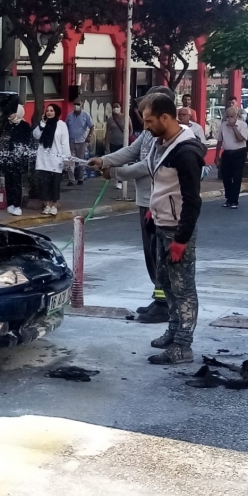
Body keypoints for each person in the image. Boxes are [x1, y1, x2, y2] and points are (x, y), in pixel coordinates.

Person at [88, 86, 177, 324]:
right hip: (145, 199)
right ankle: (159, 299)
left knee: (161, 254)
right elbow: (131, 151)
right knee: (151, 253)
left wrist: (114, 173)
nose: (144, 119)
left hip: (160, 204)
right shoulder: (150, 132)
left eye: (149, 110)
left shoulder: (170, 136)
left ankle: (165, 303)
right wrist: (103, 160)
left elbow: (147, 165)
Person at [138, 92, 204, 364]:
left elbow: (192, 200)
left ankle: (183, 346)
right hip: (161, 224)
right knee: (164, 282)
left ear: (166, 118)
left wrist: (181, 240)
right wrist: (154, 211)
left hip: (177, 231)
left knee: (183, 288)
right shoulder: (161, 143)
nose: (146, 126)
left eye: (149, 120)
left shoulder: (186, 152)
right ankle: (173, 330)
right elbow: (163, 184)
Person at [33, 104, 70, 216]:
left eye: (51, 110)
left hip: (56, 159)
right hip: (43, 159)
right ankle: (47, 205)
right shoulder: (43, 125)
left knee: (54, 184)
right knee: (44, 184)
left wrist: (66, 158)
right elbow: (35, 135)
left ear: (56, 112)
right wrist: (42, 124)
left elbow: (65, 142)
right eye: (47, 110)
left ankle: (54, 205)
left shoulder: (61, 125)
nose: (49, 112)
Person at [0, 104, 33, 216]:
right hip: (7, 158)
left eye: (13, 112)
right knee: (8, 182)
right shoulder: (5, 125)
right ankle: (10, 203)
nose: (10, 115)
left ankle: (17, 205)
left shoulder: (25, 126)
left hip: (19, 160)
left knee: (17, 182)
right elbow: (1, 140)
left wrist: (21, 150)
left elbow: (28, 142)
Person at [215, 106, 248, 209]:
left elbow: (240, 139)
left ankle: (234, 200)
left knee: (237, 176)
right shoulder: (223, 125)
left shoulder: (243, 125)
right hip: (227, 152)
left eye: (231, 116)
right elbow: (219, 141)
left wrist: (234, 127)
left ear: (237, 116)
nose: (229, 118)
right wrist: (217, 156)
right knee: (226, 176)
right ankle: (229, 198)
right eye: (228, 116)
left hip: (239, 152)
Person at [64, 99, 94, 186]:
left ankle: (80, 178)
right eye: (75, 104)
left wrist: (89, 136)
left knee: (80, 160)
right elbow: (65, 127)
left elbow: (92, 126)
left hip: (82, 141)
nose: (76, 106)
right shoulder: (69, 115)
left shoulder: (86, 115)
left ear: (81, 105)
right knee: (70, 160)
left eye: (78, 104)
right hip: (70, 141)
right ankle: (71, 179)